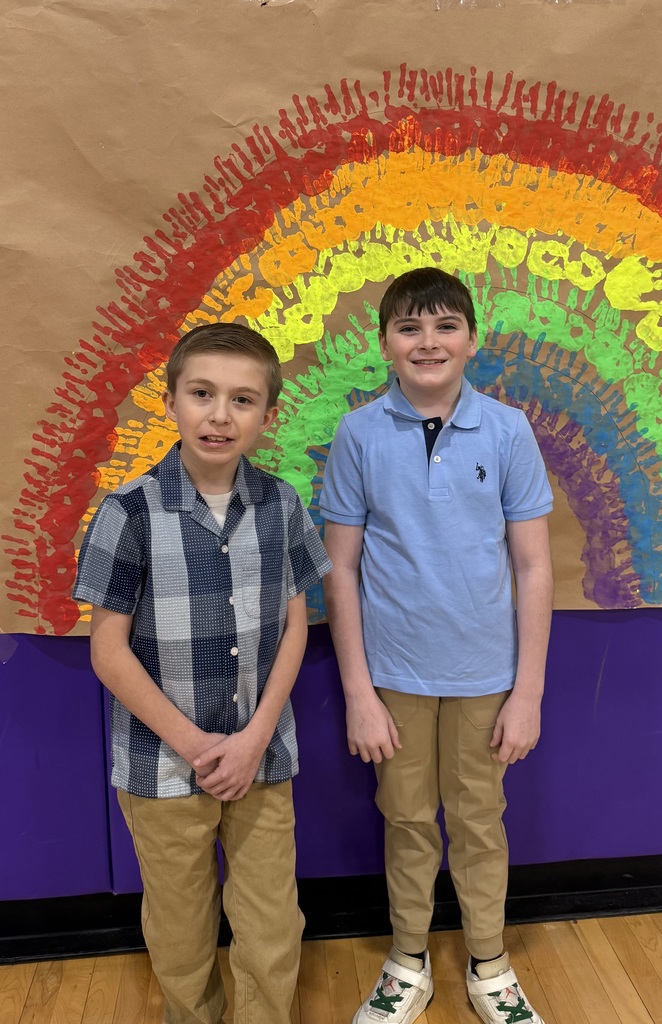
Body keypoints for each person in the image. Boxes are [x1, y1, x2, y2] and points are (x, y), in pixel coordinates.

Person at [73, 322, 331, 1024]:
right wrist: (198, 747)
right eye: (202, 394)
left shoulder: (282, 506)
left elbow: (295, 624)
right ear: (172, 401)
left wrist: (251, 740)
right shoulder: (127, 513)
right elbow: (108, 651)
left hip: (261, 760)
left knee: (273, 924)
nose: (220, 415)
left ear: (267, 416)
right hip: (163, 767)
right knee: (181, 930)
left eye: (242, 400)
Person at [320, 267, 554, 1024]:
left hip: (487, 672)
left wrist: (527, 693)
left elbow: (532, 566)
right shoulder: (358, 434)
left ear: (472, 339)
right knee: (408, 819)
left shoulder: (507, 429)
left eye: (445, 325)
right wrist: (359, 693)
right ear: (384, 342)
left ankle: (489, 963)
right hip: (394, 675)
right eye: (409, 328)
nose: (428, 342)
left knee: (480, 818)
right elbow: (342, 569)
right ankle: (408, 959)